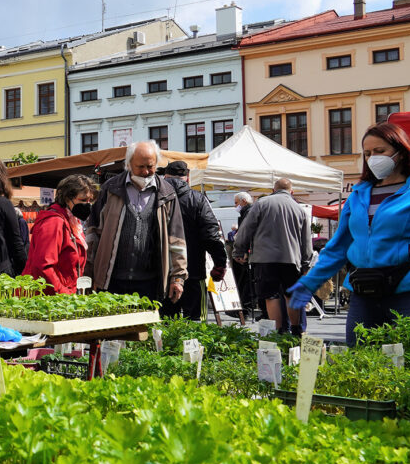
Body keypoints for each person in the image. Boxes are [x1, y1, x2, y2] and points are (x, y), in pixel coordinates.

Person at [287, 122, 410, 344]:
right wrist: (310, 282)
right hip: (364, 294)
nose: (372, 158)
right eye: (367, 153)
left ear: (401, 151)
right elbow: (339, 247)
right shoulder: (359, 193)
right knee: (361, 365)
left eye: (379, 151)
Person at [84, 141, 188, 308]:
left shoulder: (167, 193)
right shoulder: (110, 189)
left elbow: (176, 239)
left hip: (150, 283)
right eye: (140, 167)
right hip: (112, 281)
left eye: (150, 166)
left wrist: (178, 277)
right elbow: (93, 233)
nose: (146, 172)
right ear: (128, 164)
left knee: (145, 332)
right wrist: (89, 274)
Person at [233, 178, 312, 335]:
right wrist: (306, 264)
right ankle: (296, 330)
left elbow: (246, 229)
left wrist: (239, 250)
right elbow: (306, 241)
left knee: (271, 296)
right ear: (292, 192)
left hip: (265, 259)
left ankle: (278, 332)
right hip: (291, 259)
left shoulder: (262, 204)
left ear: (273, 190)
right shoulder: (299, 209)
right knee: (291, 295)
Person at [162, 161, 227, 320]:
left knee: (164, 323)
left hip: (161, 271)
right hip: (193, 270)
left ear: (165, 177)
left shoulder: (155, 197)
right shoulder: (197, 199)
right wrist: (220, 264)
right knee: (195, 324)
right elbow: (211, 235)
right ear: (187, 178)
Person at [22, 174, 96, 294]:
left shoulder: (72, 222)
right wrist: (64, 294)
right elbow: (43, 267)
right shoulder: (53, 222)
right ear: (67, 199)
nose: (87, 204)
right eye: (83, 200)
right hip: (49, 298)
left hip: (64, 294)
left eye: (89, 200)